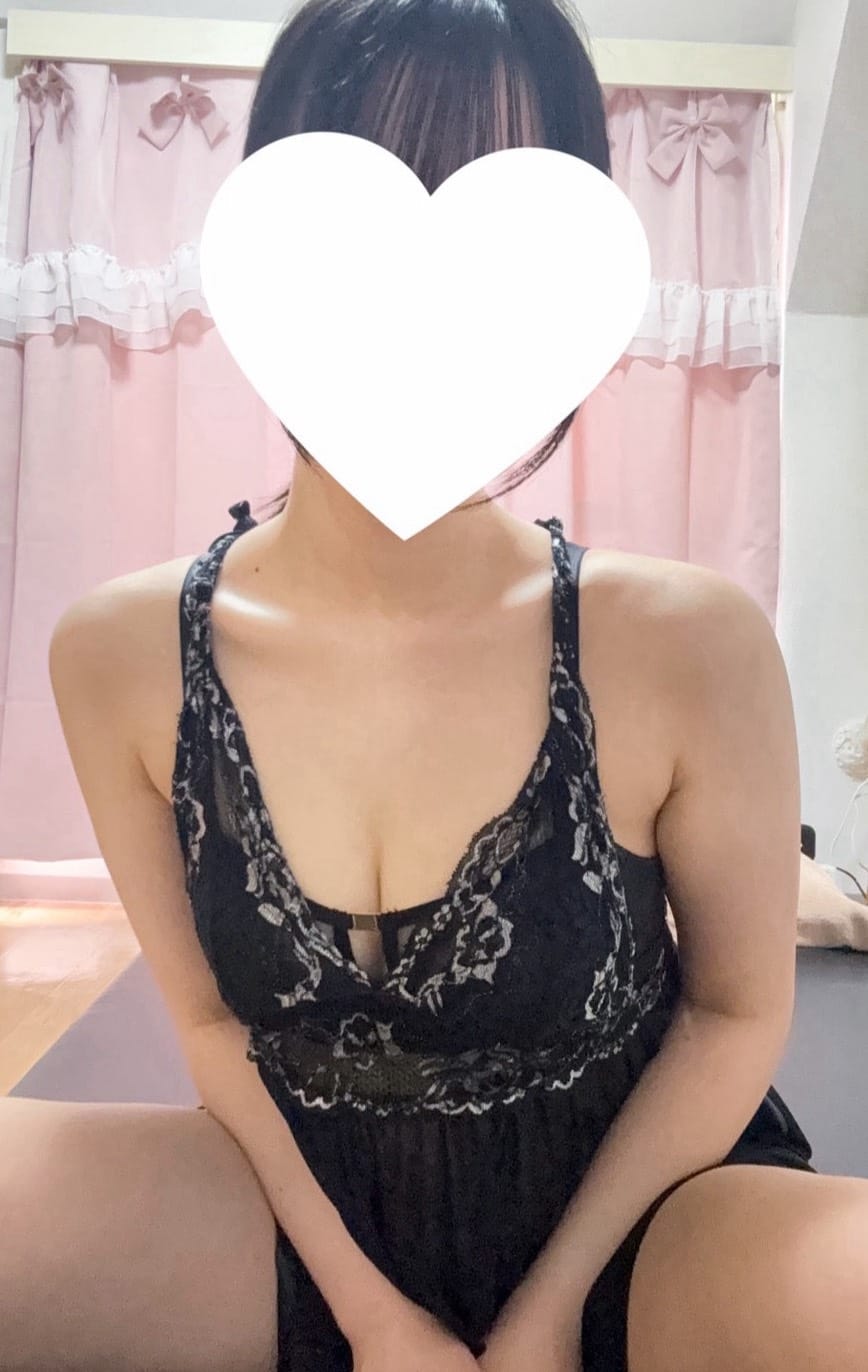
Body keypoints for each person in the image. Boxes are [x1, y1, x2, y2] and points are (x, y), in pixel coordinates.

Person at [5, 0, 868, 1370]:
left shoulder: (685, 641)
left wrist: (545, 1322)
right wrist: (371, 1320)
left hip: (637, 1223)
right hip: (303, 1220)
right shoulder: (117, 652)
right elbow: (213, 1024)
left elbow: (733, 1012)